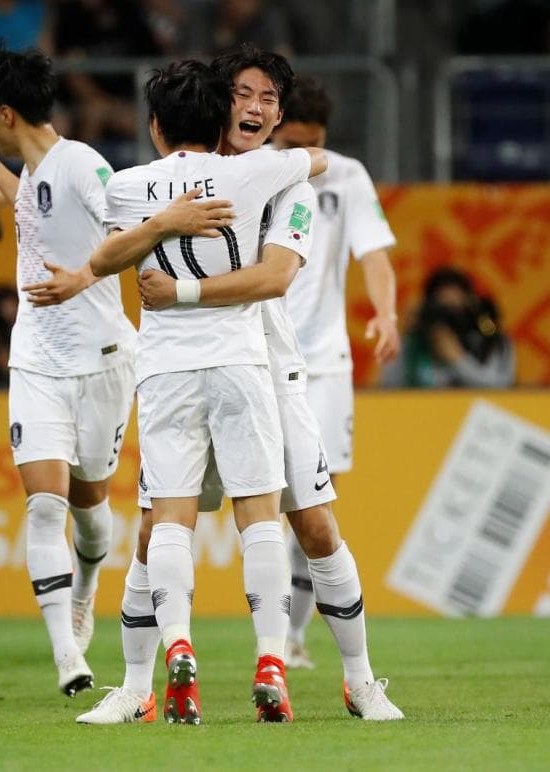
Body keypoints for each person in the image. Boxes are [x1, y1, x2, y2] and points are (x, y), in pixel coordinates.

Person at [80, 48, 401, 725]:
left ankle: (359, 679)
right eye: (244, 95)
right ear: (218, 101)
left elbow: (274, 276)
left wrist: (177, 291)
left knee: (313, 527)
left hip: (274, 368)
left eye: (268, 101)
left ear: (281, 115)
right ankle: (138, 686)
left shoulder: (285, 183)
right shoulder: (202, 178)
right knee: (149, 534)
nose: (255, 109)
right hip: (213, 364)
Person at [0, 46, 138, 698]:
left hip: (103, 361)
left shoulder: (84, 164)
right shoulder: (32, 174)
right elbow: (30, 206)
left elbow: (132, 230)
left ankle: (86, 590)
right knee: (43, 504)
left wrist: (87, 274)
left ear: (5, 112)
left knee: (90, 510)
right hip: (37, 362)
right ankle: (67, 654)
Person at [270, 75, 400, 670]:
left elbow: (372, 252)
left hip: (322, 364)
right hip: (256, 354)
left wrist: (387, 312)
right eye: (294, 144)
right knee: (259, 505)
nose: (307, 158)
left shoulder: (345, 173)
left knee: (310, 506)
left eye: (314, 143)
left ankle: (289, 640)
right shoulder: (251, 172)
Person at [382, 266, 514, 388]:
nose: (450, 317)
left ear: (471, 304)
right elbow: (387, 389)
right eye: (442, 309)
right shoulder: (416, 341)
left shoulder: (491, 340)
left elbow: (501, 387)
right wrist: (401, 334)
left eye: (456, 309)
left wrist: (458, 359)